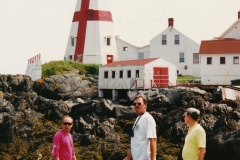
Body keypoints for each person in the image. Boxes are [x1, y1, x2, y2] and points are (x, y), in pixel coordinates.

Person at [123, 95, 157, 160]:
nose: (136, 105)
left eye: (139, 103)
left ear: (145, 105)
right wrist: (128, 157)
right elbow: (136, 142)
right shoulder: (139, 118)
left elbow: (153, 140)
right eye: (134, 104)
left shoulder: (148, 119)